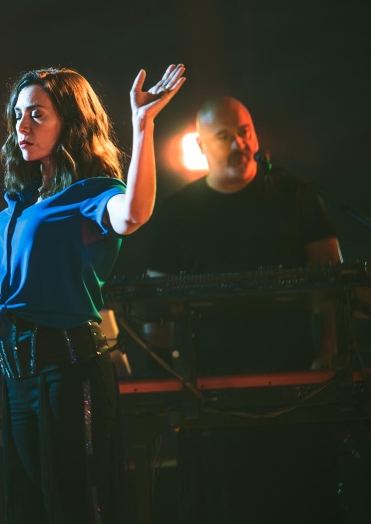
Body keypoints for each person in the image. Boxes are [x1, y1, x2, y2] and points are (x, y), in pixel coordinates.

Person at [0, 64, 185, 523]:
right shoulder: (20, 204)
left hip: (68, 370)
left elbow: (132, 215)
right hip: (17, 376)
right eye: (18, 114)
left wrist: (144, 127)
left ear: (71, 123)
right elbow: (17, 277)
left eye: (38, 114)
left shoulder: (90, 193)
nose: (22, 126)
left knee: (71, 506)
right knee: (32, 509)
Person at [142, 96, 344, 523]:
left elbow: (335, 283)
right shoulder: (178, 212)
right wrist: (166, 377)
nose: (238, 143)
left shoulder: (295, 195)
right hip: (210, 385)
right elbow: (154, 305)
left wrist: (328, 350)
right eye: (223, 136)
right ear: (200, 145)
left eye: (245, 131)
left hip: (293, 374)